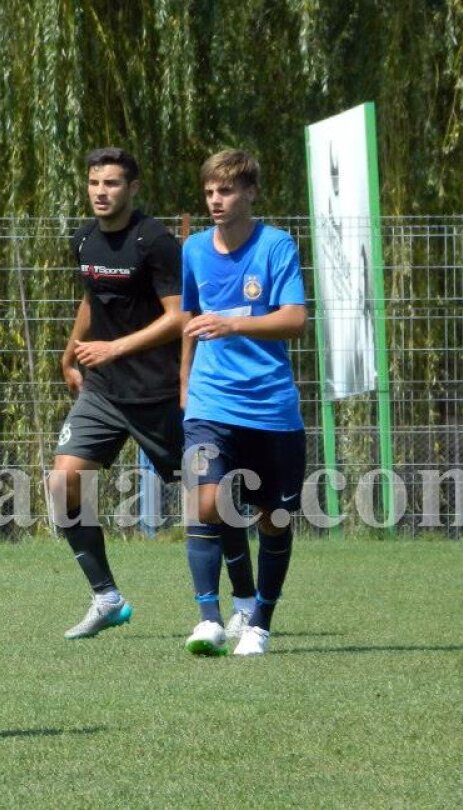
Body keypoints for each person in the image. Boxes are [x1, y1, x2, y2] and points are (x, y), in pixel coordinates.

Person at [48, 147, 185, 639]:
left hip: (156, 391)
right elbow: (93, 300)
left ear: (133, 188)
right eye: (93, 183)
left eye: (111, 184)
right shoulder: (84, 240)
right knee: (64, 483)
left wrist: (116, 349)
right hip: (103, 392)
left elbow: (179, 316)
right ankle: (106, 597)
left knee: (209, 497)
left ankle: (244, 600)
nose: (100, 192)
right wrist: (72, 354)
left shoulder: (156, 242)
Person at [179, 149, 308, 657]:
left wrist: (233, 323)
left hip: (271, 407)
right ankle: (209, 618)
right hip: (210, 404)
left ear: (250, 192)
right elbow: (190, 318)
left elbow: (295, 320)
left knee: (273, 519)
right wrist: (185, 382)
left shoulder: (276, 245)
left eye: (227, 190)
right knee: (206, 502)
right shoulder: (192, 249)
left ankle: (258, 623)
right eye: (210, 191)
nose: (216, 200)